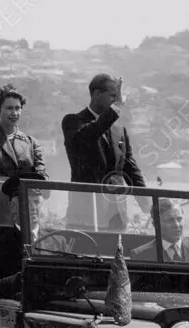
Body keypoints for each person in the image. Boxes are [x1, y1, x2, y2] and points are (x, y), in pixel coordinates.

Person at [62, 75, 146, 231]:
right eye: (113, 95)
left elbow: (130, 169)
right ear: (96, 94)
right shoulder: (73, 122)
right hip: (87, 214)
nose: (116, 100)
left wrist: (149, 206)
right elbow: (90, 135)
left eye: (117, 96)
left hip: (116, 215)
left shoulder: (119, 129)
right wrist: (118, 105)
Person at [132, 199, 189, 264]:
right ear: (155, 224)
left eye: (179, 219)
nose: (176, 225)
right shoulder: (141, 255)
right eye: (170, 220)